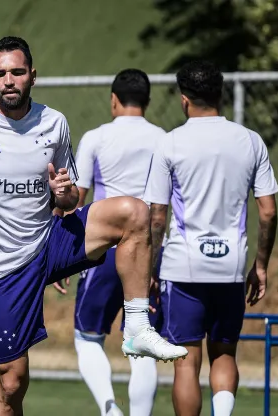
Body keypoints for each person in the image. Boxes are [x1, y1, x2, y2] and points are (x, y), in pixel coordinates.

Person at [0, 36, 188, 415]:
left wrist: (63, 194)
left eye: (17, 72)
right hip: (1, 269)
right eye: (0, 73)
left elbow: (68, 201)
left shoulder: (54, 123)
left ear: (32, 76)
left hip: (49, 241)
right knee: (11, 381)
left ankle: (136, 327)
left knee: (134, 212)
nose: (8, 81)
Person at [144, 60, 278, 416]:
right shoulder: (251, 141)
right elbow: (268, 211)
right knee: (224, 353)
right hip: (231, 267)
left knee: (186, 362)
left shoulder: (170, 143)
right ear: (219, 93)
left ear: (184, 99)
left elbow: (158, 216)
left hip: (183, 267)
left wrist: (151, 265)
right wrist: (260, 266)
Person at [62, 68, 166, 416]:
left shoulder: (96, 137)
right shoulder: (163, 139)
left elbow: (78, 198)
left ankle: (109, 409)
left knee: (87, 337)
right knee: (142, 343)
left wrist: (65, 257)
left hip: (105, 252)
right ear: (147, 102)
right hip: (149, 251)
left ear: (113, 100)